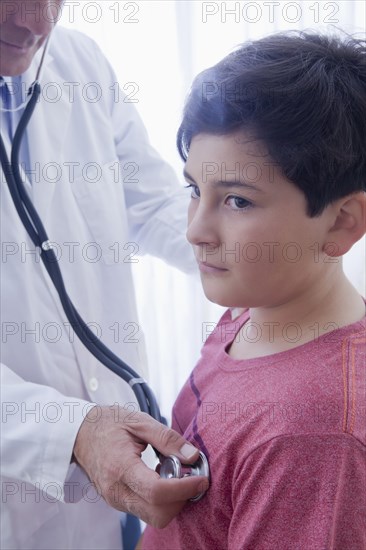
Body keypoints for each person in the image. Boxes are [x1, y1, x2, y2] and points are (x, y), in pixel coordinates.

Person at [140, 30, 366, 549]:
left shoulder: (312, 433)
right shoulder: (250, 310)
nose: (195, 229)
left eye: (238, 201)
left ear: (341, 223)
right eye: (194, 189)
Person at [0, 1, 209, 549]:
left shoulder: (79, 61)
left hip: (118, 475)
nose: (38, 24)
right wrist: (68, 431)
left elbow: (154, 203)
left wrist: (270, 262)